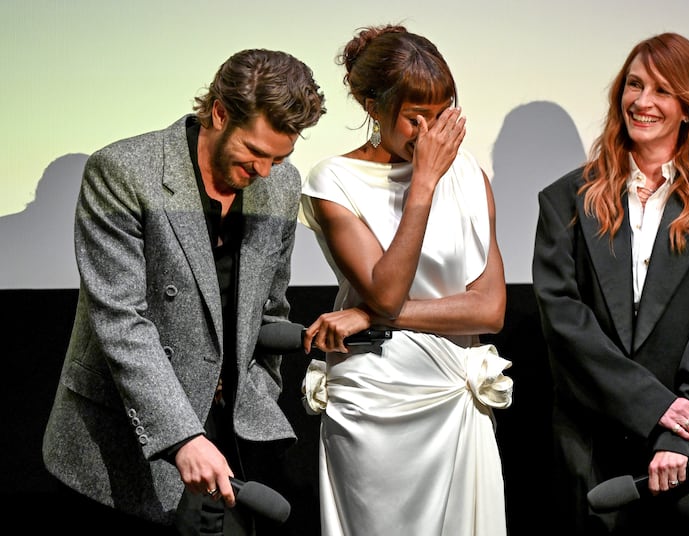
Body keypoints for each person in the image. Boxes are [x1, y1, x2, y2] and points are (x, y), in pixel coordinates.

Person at [41, 49, 325, 535]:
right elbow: (121, 322)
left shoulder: (280, 184)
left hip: (228, 435)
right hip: (126, 437)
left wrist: (255, 400)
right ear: (219, 112)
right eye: (255, 151)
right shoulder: (125, 171)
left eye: (280, 156)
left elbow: (268, 309)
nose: (264, 170)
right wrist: (181, 436)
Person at [532, 32, 689, 535]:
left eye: (662, 90)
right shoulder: (565, 202)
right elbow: (566, 325)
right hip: (593, 452)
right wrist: (656, 409)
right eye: (634, 85)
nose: (643, 101)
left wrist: (677, 436)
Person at [296, 24, 513, 536]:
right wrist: (423, 184)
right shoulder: (333, 181)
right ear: (373, 107)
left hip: (453, 395)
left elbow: (490, 310)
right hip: (375, 404)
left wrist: (370, 316)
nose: (432, 135)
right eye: (417, 119)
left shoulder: (469, 175)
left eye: (442, 117)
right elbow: (388, 288)